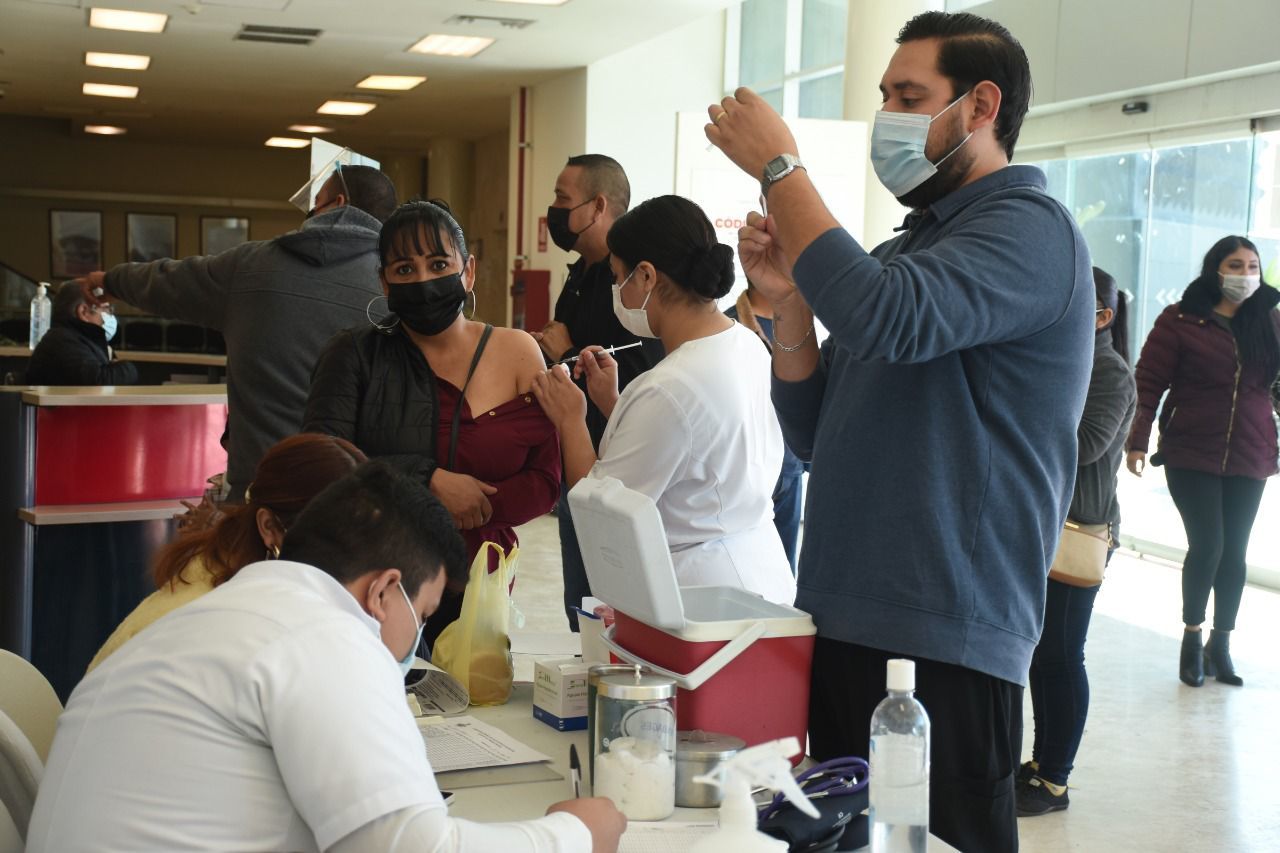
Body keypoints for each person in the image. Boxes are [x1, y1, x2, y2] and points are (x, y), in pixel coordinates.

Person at [705, 11, 1093, 852]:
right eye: (884, 94)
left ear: (981, 105)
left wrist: (780, 168)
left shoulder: (1030, 230)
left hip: (942, 637)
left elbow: (887, 317)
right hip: (844, 618)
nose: (888, 114)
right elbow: (813, 431)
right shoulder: (910, 249)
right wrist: (795, 314)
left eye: (909, 95)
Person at [27, 461, 626, 852]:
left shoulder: (226, 612)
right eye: (421, 614)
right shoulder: (323, 632)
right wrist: (573, 833)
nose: (413, 641)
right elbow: (407, 846)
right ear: (383, 591)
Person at [305, 199, 560, 650]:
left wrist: (475, 510)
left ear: (469, 271)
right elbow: (323, 464)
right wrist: (429, 483)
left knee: (472, 704)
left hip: (482, 582)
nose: (423, 280)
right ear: (383, 281)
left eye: (439, 263)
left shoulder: (518, 350)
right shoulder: (353, 354)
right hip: (377, 578)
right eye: (404, 269)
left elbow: (545, 477)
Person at [532, 195, 795, 606]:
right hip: (760, 573)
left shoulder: (665, 387)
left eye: (618, 278)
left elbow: (599, 515)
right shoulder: (745, 343)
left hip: (700, 597)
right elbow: (693, 452)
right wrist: (614, 405)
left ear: (648, 276)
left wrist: (571, 419)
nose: (617, 291)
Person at [80, 164, 398, 501]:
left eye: (314, 204)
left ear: (337, 203)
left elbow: (168, 282)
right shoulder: (398, 287)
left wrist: (111, 281)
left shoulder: (250, 266)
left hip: (261, 491)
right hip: (359, 497)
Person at [1125, 235, 1280, 688]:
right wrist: (1137, 441)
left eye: (1253, 266)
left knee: (1235, 552)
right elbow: (1148, 382)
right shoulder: (1180, 320)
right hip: (1190, 449)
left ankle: (1222, 644)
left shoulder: (1269, 322)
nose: (1246, 274)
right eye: (1236, 265)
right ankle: (1191, 640)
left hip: (1251, 451)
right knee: (1208, 544)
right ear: (1216, 269)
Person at [86, 432, 367, 672]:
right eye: (332, 537)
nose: (352, 559)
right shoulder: (217, 620)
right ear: (269, 527)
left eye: (364, 536)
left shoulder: (243, 582)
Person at [1019, 268, 1136, 817]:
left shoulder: (1109, 371)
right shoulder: (1063, 359)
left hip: (1079, 530)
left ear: (1102, 317)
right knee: (1039, 655)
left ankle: (1054, 778)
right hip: (1041, 522)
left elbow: (1087, 444)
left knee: (1061, 655)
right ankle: (1040, 765)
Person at [538, 155, 664, 629]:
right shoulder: (580, 275)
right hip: (577, 461)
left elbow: (641, 369)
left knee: (610, 611)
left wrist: (569, 349)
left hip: (618, 468)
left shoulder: (631, 286)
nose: (554, 211)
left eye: (561, 200)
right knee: (582, 609)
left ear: (598, 206)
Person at [725, 280, 807, 571]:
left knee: (785, 571)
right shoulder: (728, 326)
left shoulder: (800, 323)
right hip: (748, 468)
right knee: (746, 568)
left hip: (789, 464)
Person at [25, 281, 138, 385]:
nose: (111, 316)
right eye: (106, 309)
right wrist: (128, 368)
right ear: (83, 312)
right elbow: (98, 381)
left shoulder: (80, 339)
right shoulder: (63, 342)